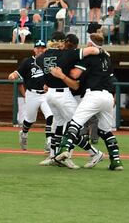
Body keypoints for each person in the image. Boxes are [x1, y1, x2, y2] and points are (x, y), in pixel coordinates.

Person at [49, 33, 123, 171]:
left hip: (93, 94)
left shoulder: (89, 57)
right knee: (105, 131)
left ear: (90, 45)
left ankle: (64, 149)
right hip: (108, 97)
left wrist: (65, 69)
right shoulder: (107, 58)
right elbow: (111, 79)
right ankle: (116, 161)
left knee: (74, 123)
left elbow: (75, 74)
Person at [35, 32, 102, 166]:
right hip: (63, 94)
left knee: (60, 126)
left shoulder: (41, 57)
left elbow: (42, 65)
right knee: (72, 126)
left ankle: (56, 155)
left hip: (51, 95)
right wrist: (102, 51)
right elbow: (92, 50)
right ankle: (92, 153)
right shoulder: (67, 53)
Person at [7, 40, 52, 151]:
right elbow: (17, 73)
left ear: (46, 49)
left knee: (51, 116)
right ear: (34, 49)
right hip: (32, 94)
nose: (40, 50)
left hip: (46, 94)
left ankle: (49, 142)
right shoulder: (28, 61)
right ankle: (24, 133)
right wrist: (12, 75)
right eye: (38, 48)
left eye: (42, 48)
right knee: (30, 120)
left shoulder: (49, 61)